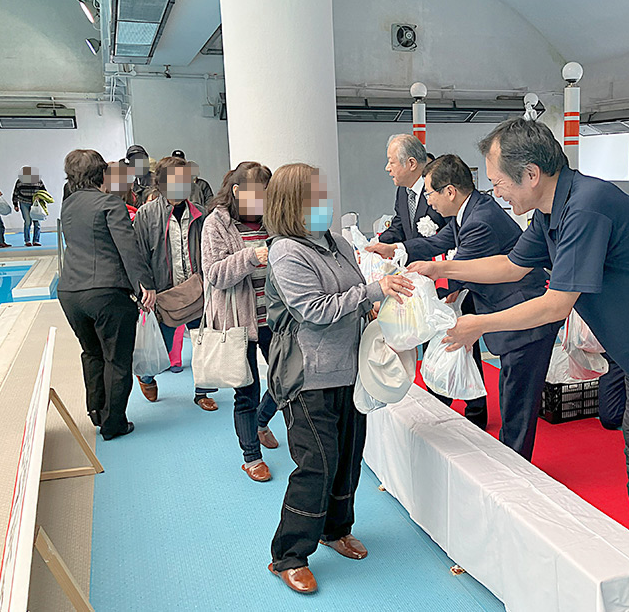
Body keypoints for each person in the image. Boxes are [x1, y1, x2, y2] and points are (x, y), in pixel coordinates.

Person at [410, 118, 629, 575]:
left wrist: (476, 324)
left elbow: (554, 305)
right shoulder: (550, 211)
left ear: (531, 174)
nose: (496, 191)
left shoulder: (587, 206)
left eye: (500, 181)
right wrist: (437, 268)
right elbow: (511, 265)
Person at [264, 162, 412, 594]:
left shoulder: (340, 245)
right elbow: (314, 310)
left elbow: (354, 296)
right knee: (317, 465)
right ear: (293, 204)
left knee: (348, 457)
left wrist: (377, 304)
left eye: (324, 196)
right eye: (315, 198)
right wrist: (371, 294)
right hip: (308, 377)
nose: (324, 205)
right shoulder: (285, 252)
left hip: (350, 372)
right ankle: (289, 554)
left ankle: (336, 529)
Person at [367, 154, 559, 460]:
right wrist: (397, 248)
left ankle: (514, 468)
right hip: (502, 308)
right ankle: (510, 459)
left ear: (450, 192)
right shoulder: (469, 212)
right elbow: (440, 242)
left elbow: (459, 271)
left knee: (517, 402)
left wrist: (409, 295)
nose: (428, 203)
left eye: (429, 193)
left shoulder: (480, 221)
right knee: (512, 395)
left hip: (523, 312)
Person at [380, 134, 487, 427]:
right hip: (424, 275)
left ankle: (471, 407)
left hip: (453, 277)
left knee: (460, 338)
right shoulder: (404, 192)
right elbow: (401, 225)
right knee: (432, 335)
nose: (388, 169)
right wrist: (384, 244)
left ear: (411, 163)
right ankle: (441, 400)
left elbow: (453, 238)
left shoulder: (444, 188)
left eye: (391, 162)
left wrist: (454, 284)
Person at [57, 149, 156, 440]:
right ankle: (115, 423)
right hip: (106, 292)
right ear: (102, 175)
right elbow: (128, 249)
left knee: (92, 353)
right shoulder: (109, 204)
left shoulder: (68, 206)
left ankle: (96, 412)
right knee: (117, 358)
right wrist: (145, 285)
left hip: (70, 293)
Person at [201, 161, 281, 482]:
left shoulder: (272, 218)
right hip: (238, 321)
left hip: (274, 316)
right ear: (237, 191)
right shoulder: (216, 224)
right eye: (257, 196)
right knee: (246, 390)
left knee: (285, 379)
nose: (263, 203)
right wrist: (251, 256)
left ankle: (261, 422)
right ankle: (251, 456)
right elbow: (215, 273)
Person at [133, 156, 218, 410]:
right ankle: (146, 376)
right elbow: (137, 255)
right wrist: (145, 288)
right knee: (163, 347)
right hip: (164, 293)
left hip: (198, 289)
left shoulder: (201, 214)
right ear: (160, 183)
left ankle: (202, 392)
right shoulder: (146, 215)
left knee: (204, 343)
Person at [12, 166, 47, 246]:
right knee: (27, 222)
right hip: (23, 202)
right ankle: (27, 240)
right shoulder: (20, 181)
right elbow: (15, 193)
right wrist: (15, 204)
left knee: (37, 222)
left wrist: (40, 198)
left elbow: (44, 191)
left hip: (35, 203)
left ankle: (36, 240)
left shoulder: (38, 181)